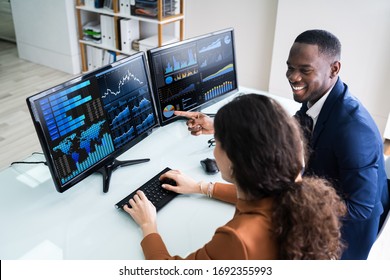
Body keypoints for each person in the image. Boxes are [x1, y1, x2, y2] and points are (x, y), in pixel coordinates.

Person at [175, 29, 390, 260]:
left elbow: (362, 208)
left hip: (340, 240)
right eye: (290, 67)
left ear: (334, 69)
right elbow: (281, 131)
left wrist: (298, 200)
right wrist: (222, 126)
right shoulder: (318, 100)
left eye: (304, 70)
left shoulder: (354, 130)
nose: (293, 77)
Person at [124, 94, 347, 260]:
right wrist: (202, 187)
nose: (213, 151)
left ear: (235, 160)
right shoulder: (295, 184)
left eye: (218, 142)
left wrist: (148, 226)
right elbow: (265, 199)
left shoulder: (237, 239)